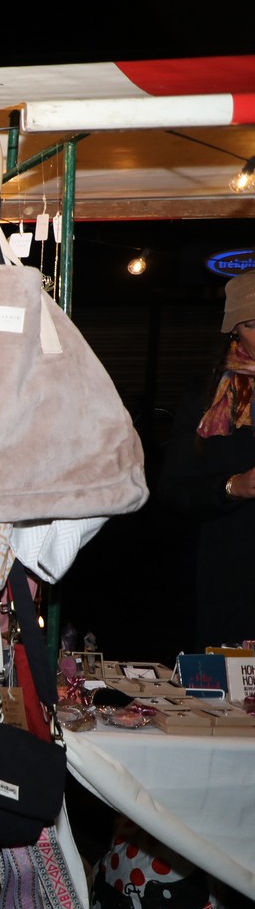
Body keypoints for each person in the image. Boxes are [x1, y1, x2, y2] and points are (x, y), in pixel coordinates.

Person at [159, 270, 255, 648]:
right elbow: (175, 489)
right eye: (251, 324)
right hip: (232, 578)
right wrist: (232, 487)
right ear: (234, 332)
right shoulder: (208, 397)